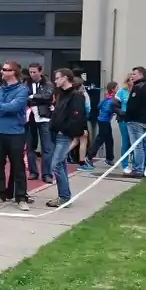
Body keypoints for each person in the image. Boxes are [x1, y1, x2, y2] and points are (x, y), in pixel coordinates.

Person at [0, 61, 31, 210]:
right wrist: (4, 107)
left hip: (16, 132)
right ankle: (0, 194)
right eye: (3, 69)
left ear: (13, 72)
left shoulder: (22, 90)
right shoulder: (0, 90)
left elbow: (15, 106)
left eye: (6, 69)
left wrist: (0, 107)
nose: (2, 72)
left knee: (18, 165)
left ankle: (21, 196)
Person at [46, 69, 88, 207]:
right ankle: (64, 195)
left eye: (57, 78)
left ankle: (64, 196)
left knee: (56, 164)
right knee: (60, 164)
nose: (55, 81)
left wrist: (64, 130)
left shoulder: (76, 96)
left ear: (65, 78)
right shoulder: (60, 94)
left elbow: (77, 117)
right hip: (56, 133)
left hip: (64, 134)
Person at [123, 67, 146, 178]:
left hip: (136, 121)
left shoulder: (138, 88)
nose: (132, 76)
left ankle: (139, 169)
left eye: (134, 74)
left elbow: (132, 105)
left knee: (138, 145)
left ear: (141, 75)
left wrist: (127, 116)